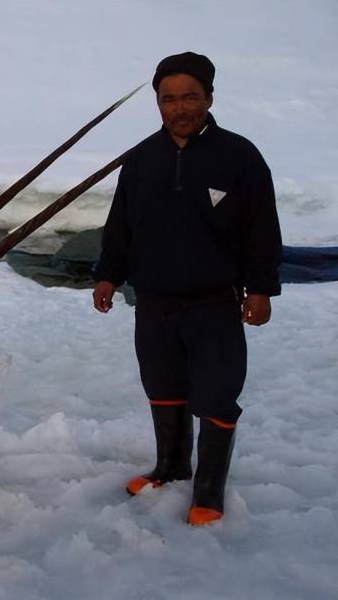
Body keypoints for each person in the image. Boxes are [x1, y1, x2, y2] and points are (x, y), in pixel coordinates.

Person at [92, 51, 282, 526]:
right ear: (158, 103)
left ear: (209, 97)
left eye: (190, 96)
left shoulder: (239, 156)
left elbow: (262, 230)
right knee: (162, 387)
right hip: (153, 303)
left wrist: (261, 289)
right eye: (169, 98)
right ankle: (171, 467)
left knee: (217, 395)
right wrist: (107, 273)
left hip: (214, 303)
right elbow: (120, 226)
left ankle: (209, 489)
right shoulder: (140, 159)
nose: (180, 107)